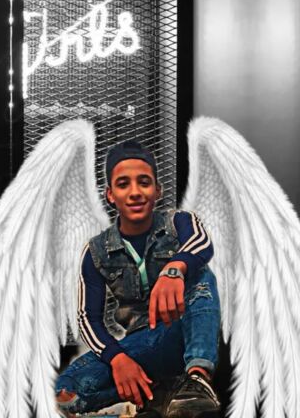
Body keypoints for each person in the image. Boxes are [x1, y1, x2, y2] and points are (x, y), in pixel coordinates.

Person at [55, 140, 222, 418]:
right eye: (123, 184)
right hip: (141, 346)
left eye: (144, 182)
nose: (134, 192)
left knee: (200, 273)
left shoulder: (180, 222)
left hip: (182, 330)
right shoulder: (96, 251)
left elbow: (202, 243)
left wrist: (174, 269)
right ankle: (154, 396)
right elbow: (87, 318)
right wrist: (118, 359)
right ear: (110, 195)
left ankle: (197, 380)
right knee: (66, 391)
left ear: (157, 190)